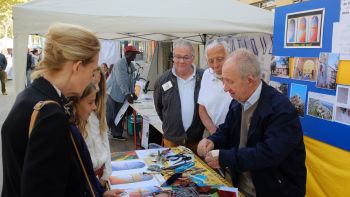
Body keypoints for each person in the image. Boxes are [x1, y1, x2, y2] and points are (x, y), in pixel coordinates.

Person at [1, 23, 120, 197]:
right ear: (77, 66)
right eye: (92, 69)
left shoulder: (32, 96)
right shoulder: (50, 115)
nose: (92, 78)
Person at [197, 49, 306, 197]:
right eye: (224, 80)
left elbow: (269, 154)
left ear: (249, 80)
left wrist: (225, 157)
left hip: (274, 190)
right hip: (242, 186)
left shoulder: (282, 110)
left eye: (230, 81)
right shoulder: (237, 102)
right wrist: (212, 140)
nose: (225, 88)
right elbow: (227, 129)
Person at [154, 39, 204, 152]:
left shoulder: (203, 78)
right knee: (172, 168)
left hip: (196, 138)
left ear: (193, 58)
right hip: (172, 138)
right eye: (178, 56)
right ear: (173, 57)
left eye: (186, 57)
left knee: (195, 168)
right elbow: (159, 108)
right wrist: (172, 122)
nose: (181, 61)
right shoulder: (162, 80)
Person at [198, 39, 232, 137]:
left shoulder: (239, 75)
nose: (215, 65)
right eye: (211, 61)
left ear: (229, 55)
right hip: (212, 132)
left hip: (235, 135)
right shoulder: (207, 74)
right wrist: (214, 132)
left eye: (220, 59)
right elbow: (202, 108)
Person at [106, 45, 140, 140]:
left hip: (121, 94)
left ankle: (116, 134)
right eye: (133, 54)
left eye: (135, 54)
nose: (135, 56)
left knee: (119, 115)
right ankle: (102, 135)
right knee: (110, 115)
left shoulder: (131, 65)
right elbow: (122, 80)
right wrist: (127, 93)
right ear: (126, 54)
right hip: (113, 92)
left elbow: (131, 80)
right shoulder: (120, 63)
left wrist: (132, 92)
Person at [87, 67, 112, 186]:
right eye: (93, 84)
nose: (96, 88)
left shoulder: (98, 110)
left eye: (98, 84)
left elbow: (104, 141)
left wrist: (106, 174)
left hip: (100, 174)